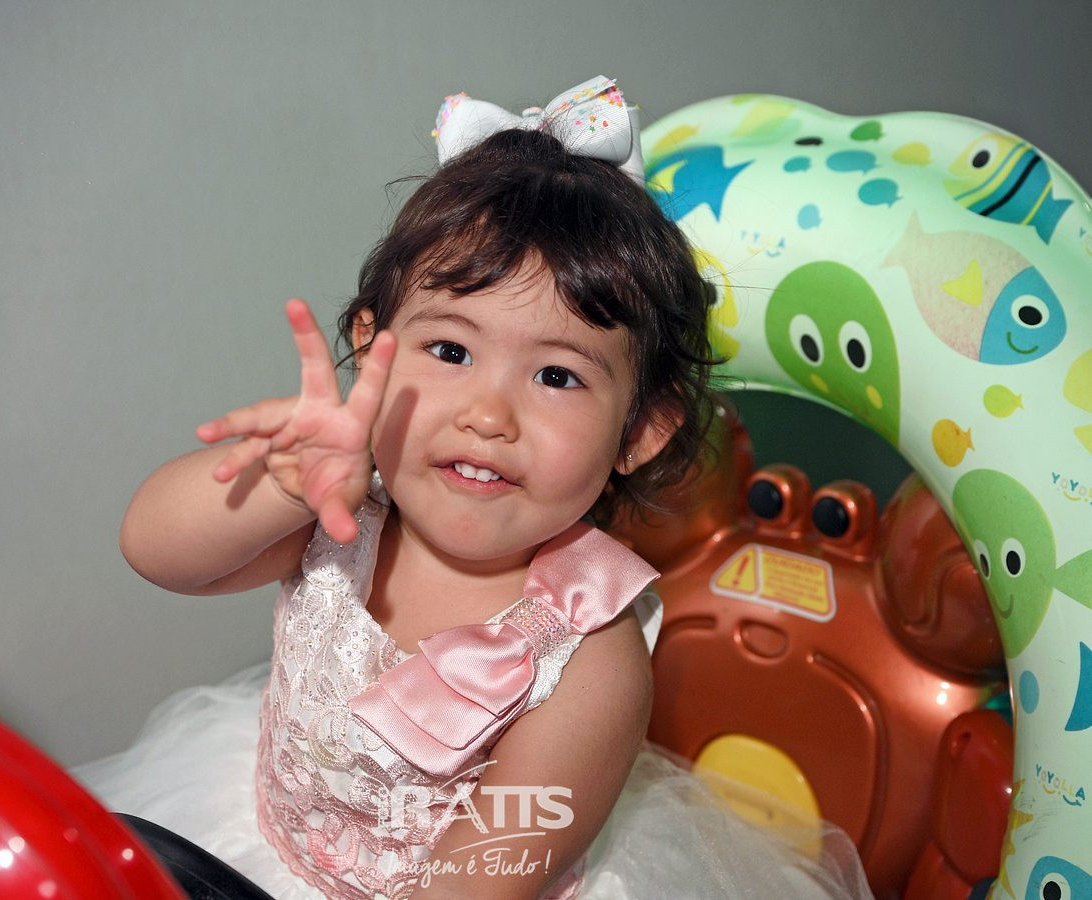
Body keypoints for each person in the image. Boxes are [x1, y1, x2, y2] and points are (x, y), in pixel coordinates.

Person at [76, 77, 872, 899]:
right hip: (257, 839)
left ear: (639, 431)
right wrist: (283, 485)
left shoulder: (591, 667)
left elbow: (475, 884)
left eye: (556, 375)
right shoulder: (341, 513)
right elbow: (156, 553)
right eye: (450, 352)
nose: (488, 415)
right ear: (371, 348)